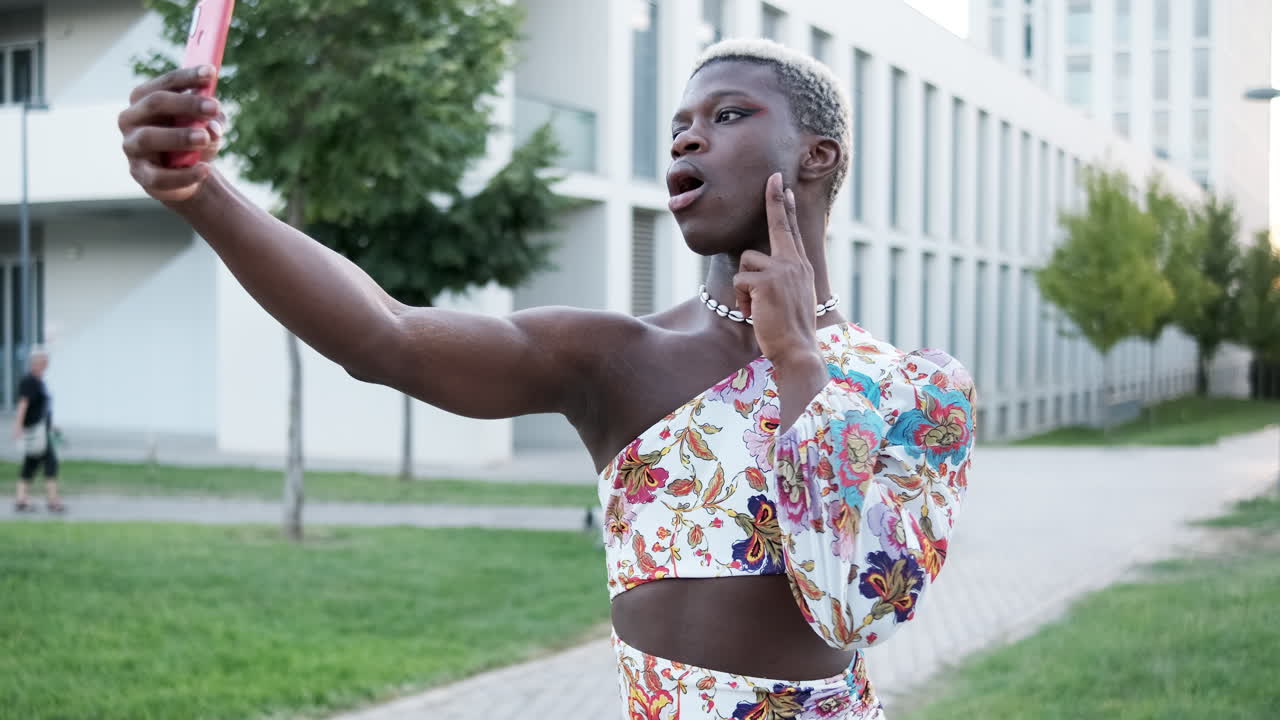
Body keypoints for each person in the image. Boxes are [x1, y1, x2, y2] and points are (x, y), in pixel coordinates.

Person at [118, 38, 975, 719]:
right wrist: (206, 196)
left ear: (818, 156)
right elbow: (387, 338)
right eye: (679, 123)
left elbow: (857, 608)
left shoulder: (917, 392)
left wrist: (797, 363)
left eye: (729, 113)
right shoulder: (621, 357)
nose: (685, 136)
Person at [13, 348, 65, 513]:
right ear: (36, 363)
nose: (46, 365)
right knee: (51, 462)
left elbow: (41, 408)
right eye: (44, 362)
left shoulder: (39, 382)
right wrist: (18, 426)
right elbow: (23, 404)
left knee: (30, 463)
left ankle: (21, 499)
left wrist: (51, 426)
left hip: (40, 429)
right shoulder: (29, 381)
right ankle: (53, 501)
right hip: (35, 431)